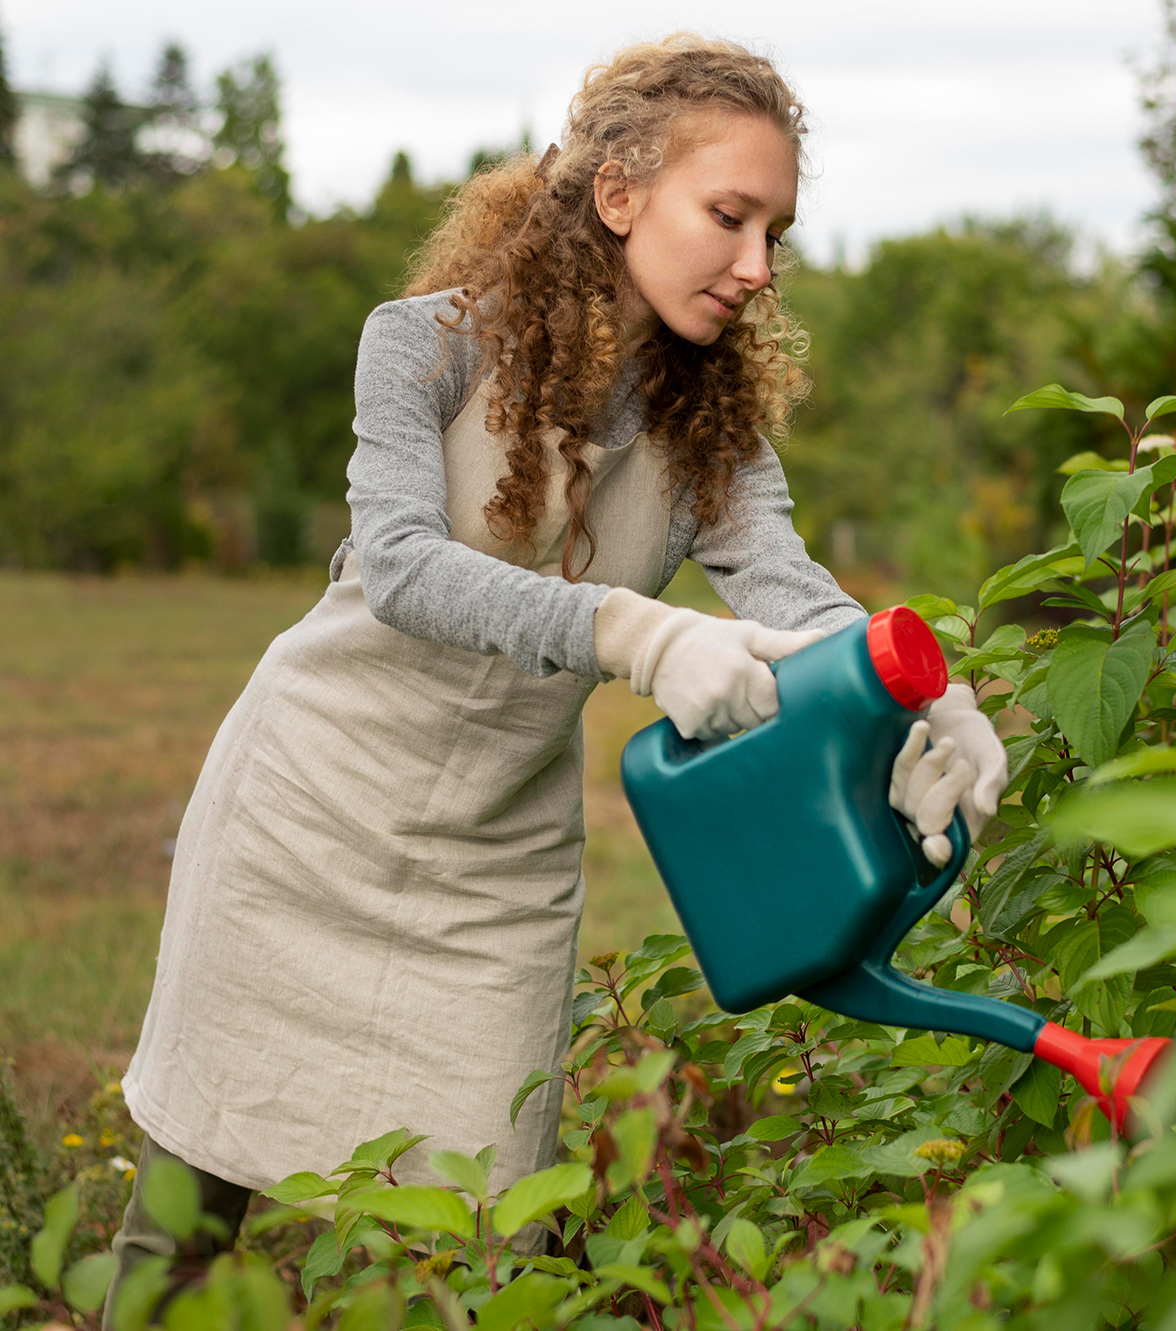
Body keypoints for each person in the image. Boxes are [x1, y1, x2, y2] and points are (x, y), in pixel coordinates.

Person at [104, 33, 1005, 1300]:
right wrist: (636, 630)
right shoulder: (422, 342)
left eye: (775, 235)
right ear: (618, 192)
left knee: (484, 1252)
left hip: (495, 872)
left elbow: (796, 594)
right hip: (303, 812)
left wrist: (934, 698)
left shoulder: (713, 433)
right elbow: (407, 569)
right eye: (729, 217)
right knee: (186, 1224)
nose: (756, 268)